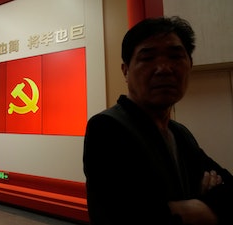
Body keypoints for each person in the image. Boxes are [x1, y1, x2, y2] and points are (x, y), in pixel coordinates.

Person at [83, 16, 233, 225]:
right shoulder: (107, 127)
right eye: (147, 58)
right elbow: (129, 216)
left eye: (175, 56)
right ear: (125, 71)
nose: (163, 68)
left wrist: (183, 207)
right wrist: (203, 203)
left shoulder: (180, 133)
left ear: (190, 64)